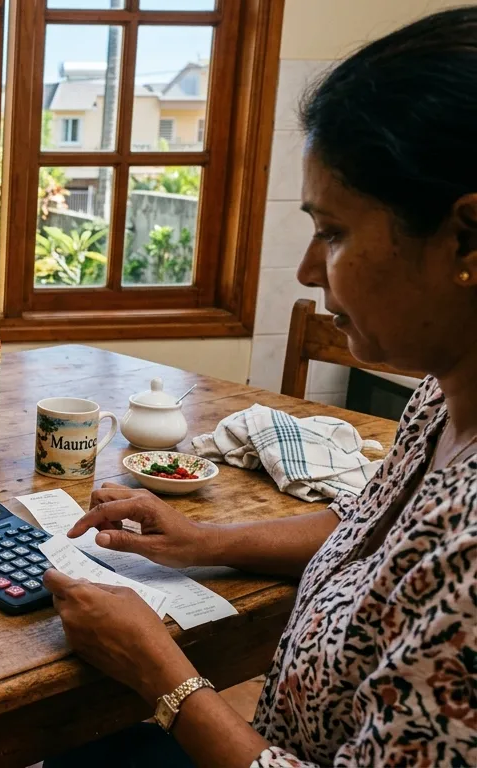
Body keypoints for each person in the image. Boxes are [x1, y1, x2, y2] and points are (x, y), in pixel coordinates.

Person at [42, 7, 477, 767]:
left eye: (333, 232)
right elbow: (370, 530)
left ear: (467, 240)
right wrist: (200, 543)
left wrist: (163, 674)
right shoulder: (444, 396)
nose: (309, 271)